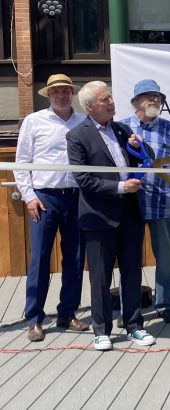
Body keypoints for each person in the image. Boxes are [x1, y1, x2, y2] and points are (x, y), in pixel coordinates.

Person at [66, 81, 156, 351]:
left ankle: (134, 326)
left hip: (129, 213)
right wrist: (120, 187)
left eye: (111, 97)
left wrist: (139, 144)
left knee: (131, 272)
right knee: (101, 276)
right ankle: (101, 330)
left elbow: (147, 160)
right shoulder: (77, 136)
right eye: (106, 99)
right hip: (98, 216)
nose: (112, 102)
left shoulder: (122, 129)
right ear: (90, 106)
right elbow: (84, 179)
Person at [14, 74, 90, 342]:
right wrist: (29, 196)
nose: (61, 95)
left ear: (72, 93)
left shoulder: (84, 121)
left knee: (76, 258)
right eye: (55, 91)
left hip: (76, 198)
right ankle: (34, 318)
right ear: (48, 94)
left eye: (65, 91)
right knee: (40, 260)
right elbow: (22, 162)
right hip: (44, 199)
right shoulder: (34, 121)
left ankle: (67, 313)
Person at [120, 79, 170, 324]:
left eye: (158, 97)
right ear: (136, 102)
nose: (155, 101)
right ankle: (129, 308)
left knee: (165, 257)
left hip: (162, 203)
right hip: (130, 205)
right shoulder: (122, 128)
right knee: (129, 259)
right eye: (149, 96)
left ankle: (166, 304)